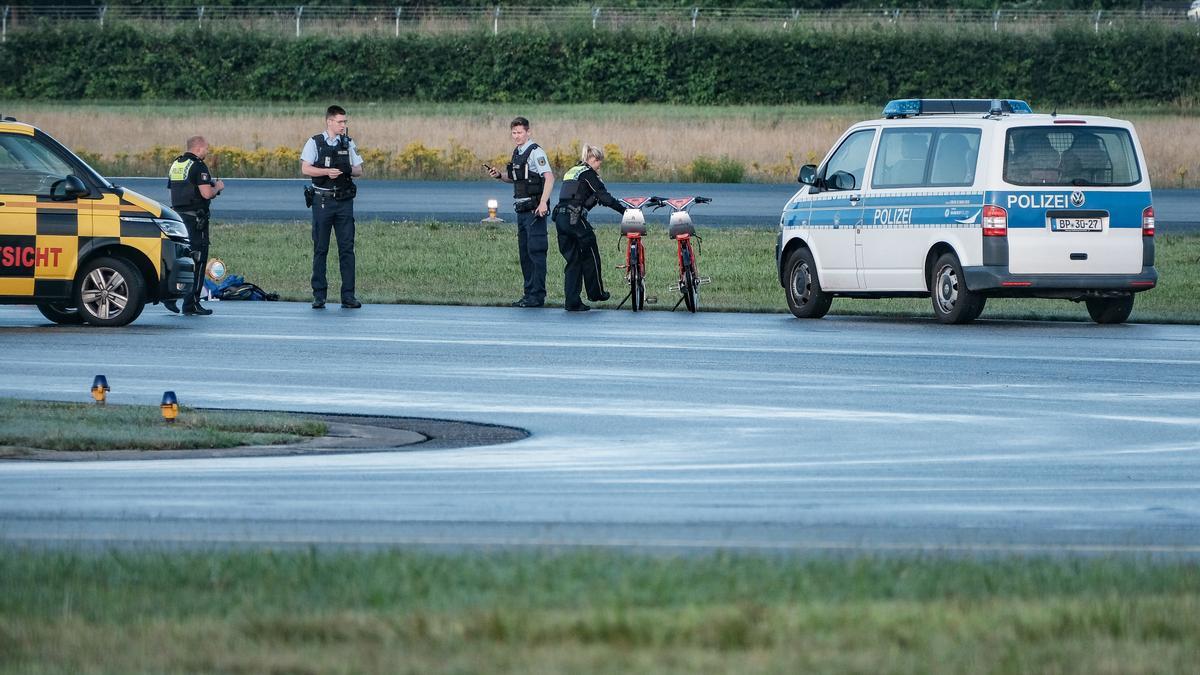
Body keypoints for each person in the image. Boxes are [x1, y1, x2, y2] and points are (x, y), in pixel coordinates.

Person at [485, 117, 554, 308]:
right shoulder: (518, 152)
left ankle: (537, 296)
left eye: (520, 132)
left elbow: (549, 178)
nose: (517, 136)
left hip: (534, 210)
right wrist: (500, 176)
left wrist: (543, 203)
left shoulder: (536, 152)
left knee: (536, 253)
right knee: (525, 254)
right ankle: (528, 293)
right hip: (521, 210)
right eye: (514, 133)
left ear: (528, 132)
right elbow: (517, 179)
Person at [301, 105, 364, 309]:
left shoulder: (348, 143)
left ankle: (348, 295)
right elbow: (305, 168)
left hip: (344, 202)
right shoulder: (315, 142)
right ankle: (319, 295)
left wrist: (348, 169)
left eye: (345, 122)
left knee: (347, 249)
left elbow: (359, 170)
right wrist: (327, 172)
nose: (343, 126)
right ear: (329, 122)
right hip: (323, 201)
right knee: (321, 248)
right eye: (340, 122)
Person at [553, 144, 624, 312]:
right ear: (593, 159)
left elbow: (579, 196)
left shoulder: (572, 171)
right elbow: (604, 197)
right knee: (591, 252)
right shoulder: (588, 173)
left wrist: (592, 200)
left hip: (560, 219)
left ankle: (572, 301)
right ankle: (596, 293)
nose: (600, 166)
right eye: (599, 162)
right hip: (574, 219)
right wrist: (625, 211)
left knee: (573, 261)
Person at [165, 135, 224, 315]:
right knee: (197, 261)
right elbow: (206, 194)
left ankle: (169, 297)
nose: (207, 152)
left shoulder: (176, 164)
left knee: (178, 259)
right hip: (195, 220)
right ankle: (192, 304)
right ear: (198, 149)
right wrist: (218, 187)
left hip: (177, 218)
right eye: (206, 149)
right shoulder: (198, 165)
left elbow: (175, 189)